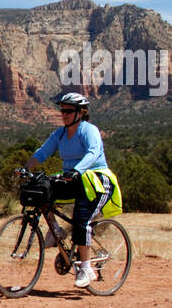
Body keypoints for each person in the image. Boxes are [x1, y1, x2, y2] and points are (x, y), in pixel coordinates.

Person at [24, 92, 116, 288]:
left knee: (82, 220)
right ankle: (55, 231)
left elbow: (92, 152)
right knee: (41, 190)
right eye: (62, 110)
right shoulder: (60, 133)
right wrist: (26, 168)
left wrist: (77, 170)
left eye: (68, 111)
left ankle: (85, 268)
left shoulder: (89, 130)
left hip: (96, 180)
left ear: (80, 113)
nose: (63, 114)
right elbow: (43, 152)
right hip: (73, 178)